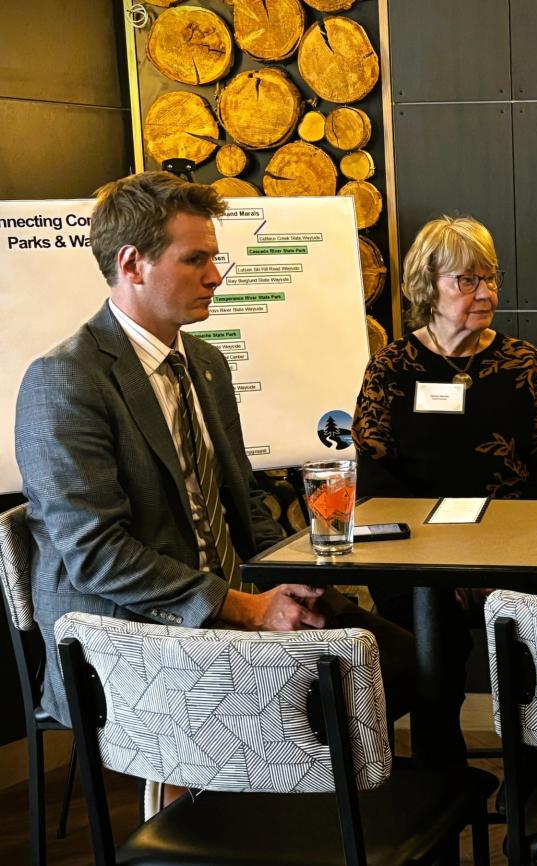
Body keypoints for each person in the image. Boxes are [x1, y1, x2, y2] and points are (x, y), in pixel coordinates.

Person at [15, 172, 416, 732]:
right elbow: (97, 555)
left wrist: (290, 576)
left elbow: (241, 497)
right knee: (327, 696)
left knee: (405, 660)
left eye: (214, 258)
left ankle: (308, 778)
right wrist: (247, 609)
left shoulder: (205, 362)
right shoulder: (65, 381)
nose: (215, 277)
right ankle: (255, 779)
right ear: (132, 265)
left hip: (232, 596)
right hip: (133, 637)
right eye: (195, 260)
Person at [353, 214, 537, 500]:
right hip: (417, 526)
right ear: (427, 285)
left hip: (511, 524)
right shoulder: (389, 368)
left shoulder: (522, 362)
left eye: (490, 278)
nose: (486, 294)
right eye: (467, 280)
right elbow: (375, 477)